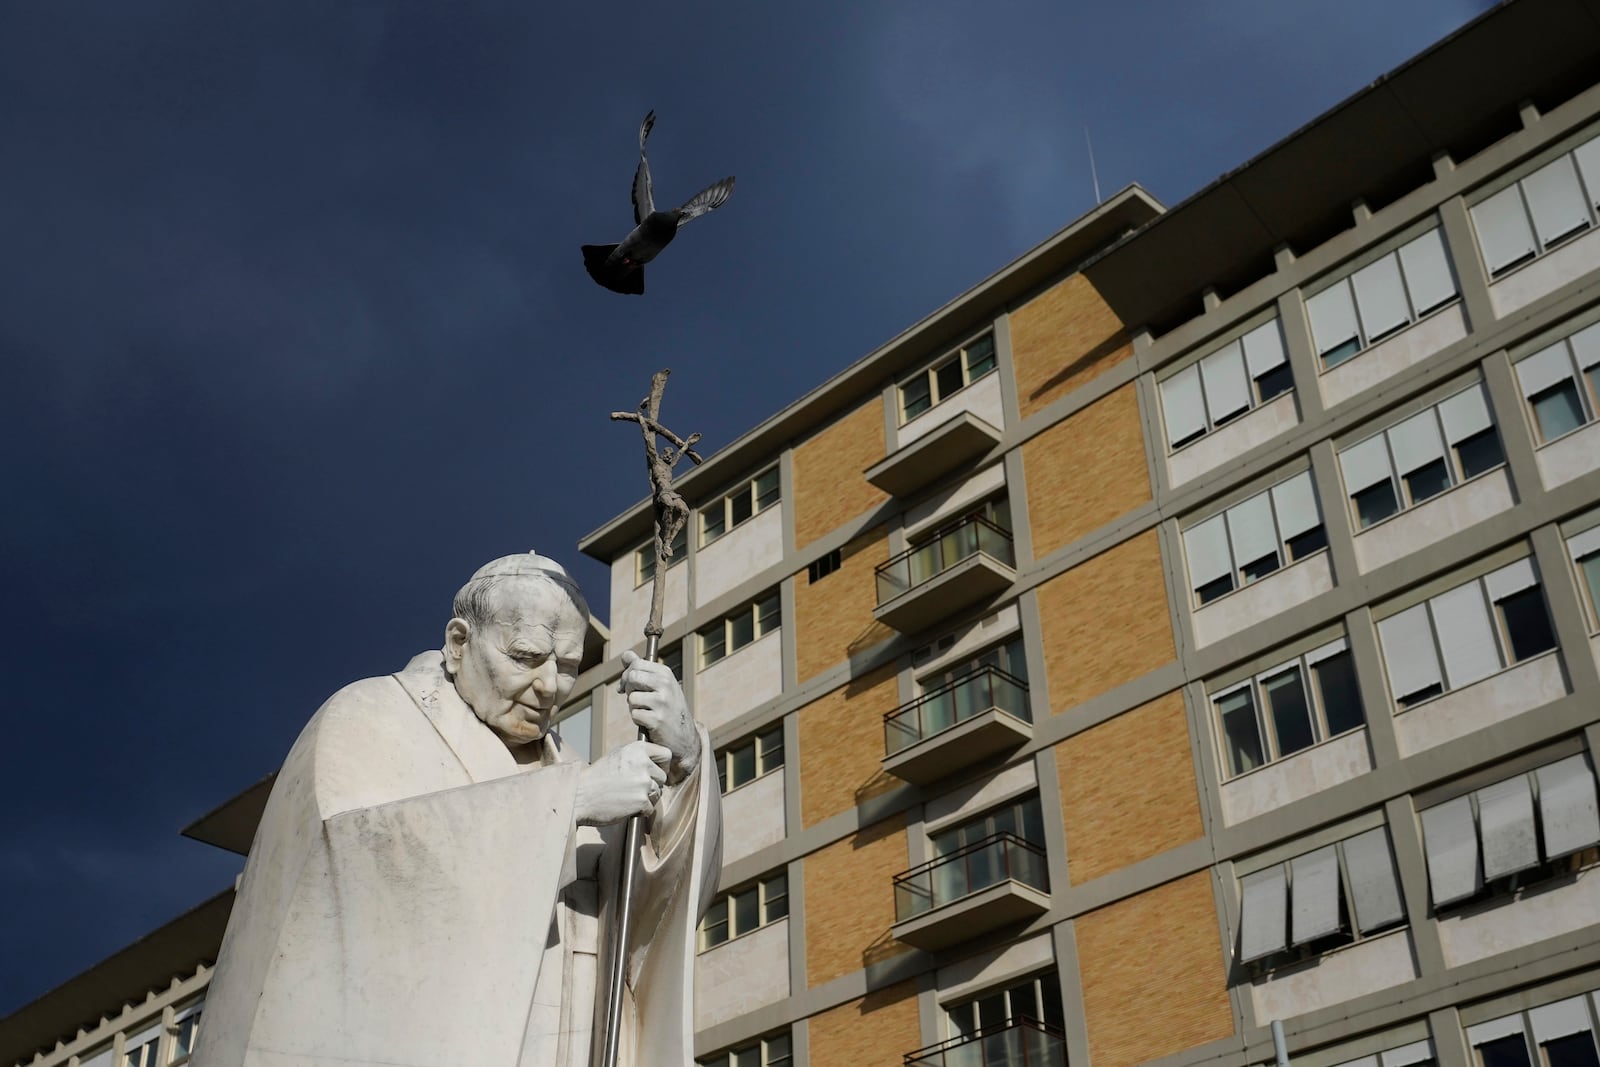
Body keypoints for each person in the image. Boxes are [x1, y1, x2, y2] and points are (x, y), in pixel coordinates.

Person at [194, 552, 722, 1067]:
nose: (548, 688)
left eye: (566, 667)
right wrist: (571, 805)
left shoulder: (569, 765)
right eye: (525, 657)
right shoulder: (372, 717)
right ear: (458, 643)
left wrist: (682, 766)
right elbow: (343, 872)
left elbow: (647, 923)